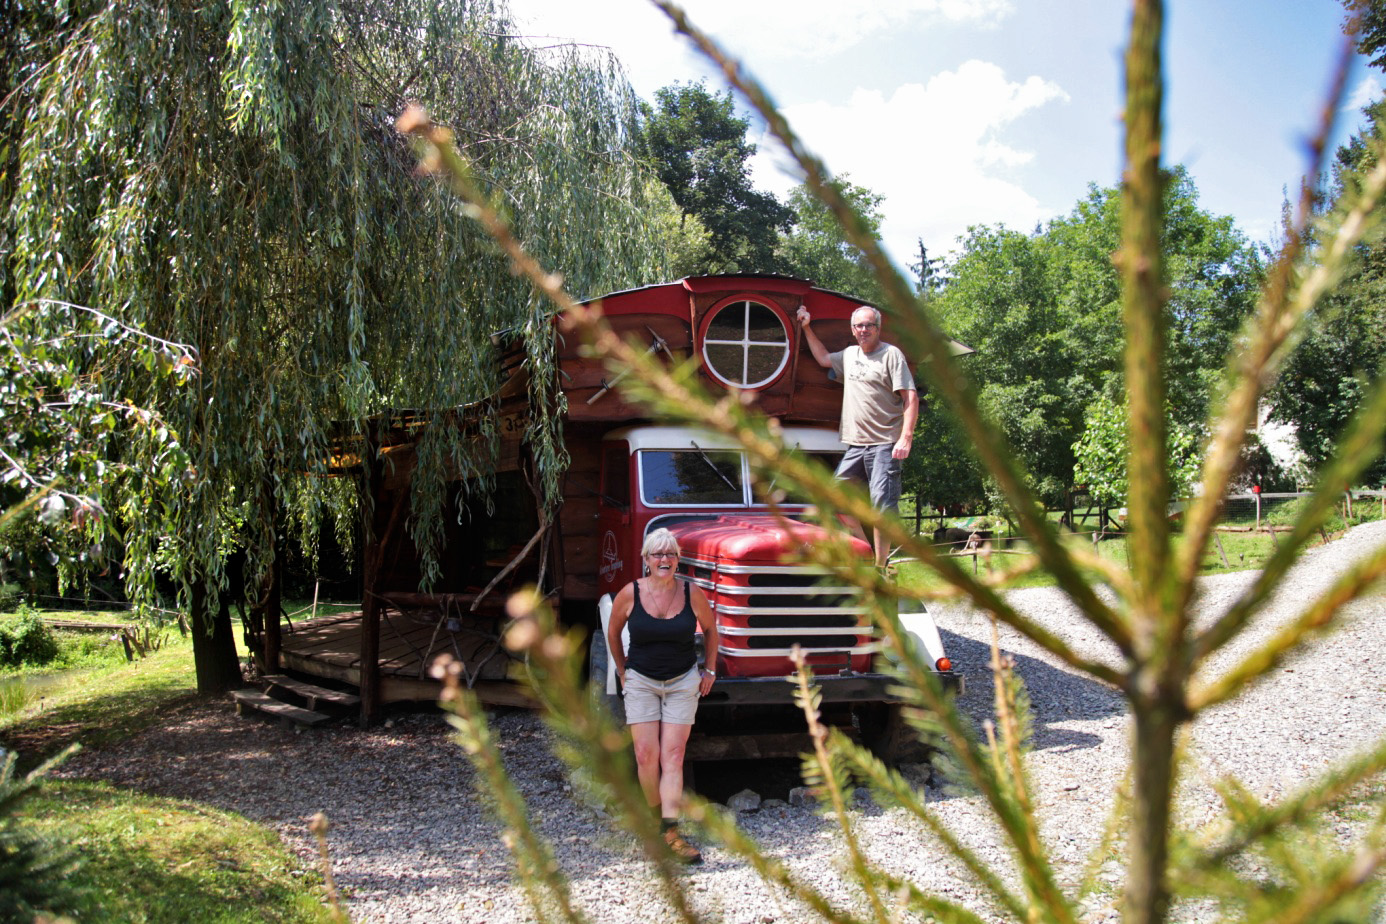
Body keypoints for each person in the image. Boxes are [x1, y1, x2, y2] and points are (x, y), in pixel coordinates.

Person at [606, 527, 719, 864]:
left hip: (683, 681)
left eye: (670, 554)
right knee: (645, 754)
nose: (664, 559)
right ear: (646, 560)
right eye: (657, 554)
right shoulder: (631, 593)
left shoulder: (691, 592)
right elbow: (613, 631)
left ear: (677, 560)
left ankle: (670, 832)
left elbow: (711, 630)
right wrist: (623, 670)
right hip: (641, 680)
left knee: (672, 755)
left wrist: (709, 670)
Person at [795, 304, 919, 567]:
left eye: (869, 325)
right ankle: (867, 553)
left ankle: (881, 569)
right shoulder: (850, 355)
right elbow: (823, 359)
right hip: (856, 446)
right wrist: (806, 326)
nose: (864, 330)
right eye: (859, 326)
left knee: (882, 509)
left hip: (885, 444)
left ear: (878, 328)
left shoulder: (891, 355)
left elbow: (910, 396)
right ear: (853, 330)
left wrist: (905, 437)